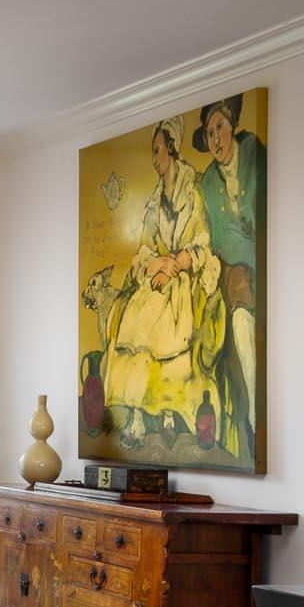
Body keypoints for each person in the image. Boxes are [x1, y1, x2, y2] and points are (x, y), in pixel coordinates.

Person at [100, 118, 226, 448]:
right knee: (133, 320)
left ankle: (169, 412)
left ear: (170, 148)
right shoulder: (155, 201)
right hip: (158, 277)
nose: (155, 158)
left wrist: (175, 263)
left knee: (165, 324)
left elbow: (202, 244)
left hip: (184, 279)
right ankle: (138, 418)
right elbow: (142, 248)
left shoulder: (192, 192)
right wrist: (156, 264)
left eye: (157, 151)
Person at [194, 95, 263, 464]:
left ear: (232, 124)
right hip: (235, 269)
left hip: (266, 264)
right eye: (209, 134)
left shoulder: (254, 153)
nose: (216, 140)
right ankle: (251, 415)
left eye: (219, 128)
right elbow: (221, 238)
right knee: (238, 314)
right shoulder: (207, 181)